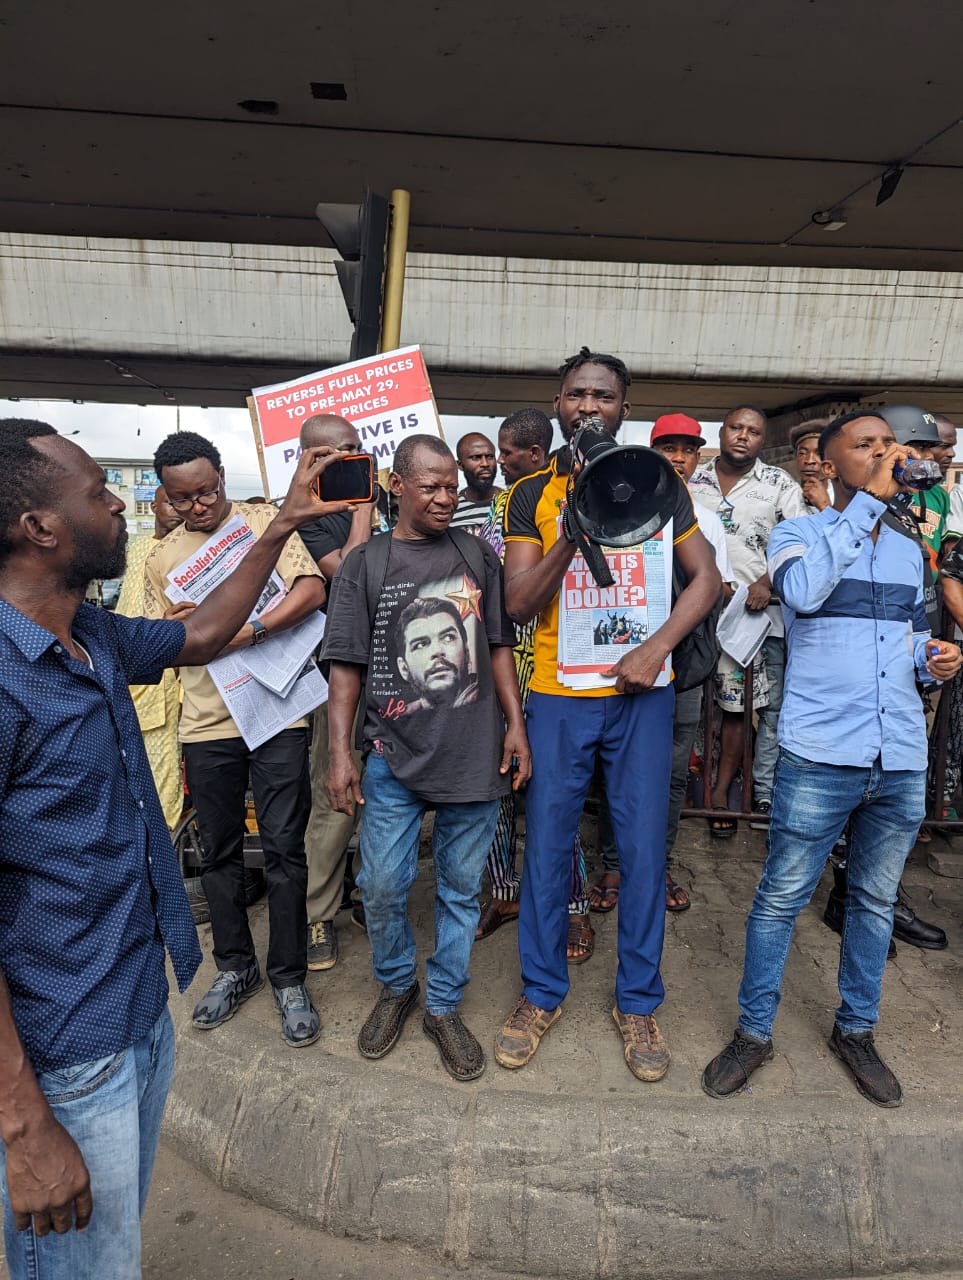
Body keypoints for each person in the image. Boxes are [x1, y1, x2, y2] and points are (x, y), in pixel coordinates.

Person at [0, 418, 347, 1278]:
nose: (122, 505)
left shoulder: (95, 634)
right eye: (97, 493)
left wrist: (279, 523)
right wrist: (23, 1123)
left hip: (139, 1012)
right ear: (39, 528)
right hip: (62, 1055)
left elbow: (202, 635)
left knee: (113, 1256)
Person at [701, 411, 961, 1108]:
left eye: (888, 445)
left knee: (874, 901)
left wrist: (933, 659)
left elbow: (907, 638)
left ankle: (856, 1030)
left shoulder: (906, 550)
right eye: (865, 445)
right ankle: (753, 1033)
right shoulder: (797, 535)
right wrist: (868, 506)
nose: (883, 453)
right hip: (820, 754)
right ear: (827, 459)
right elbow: (806, 593)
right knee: (781, 897)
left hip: (897, 754)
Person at [493, 348, 720, 1083]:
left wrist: (656, 648)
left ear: (624, 408)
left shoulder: (659, 484)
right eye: (576, 395)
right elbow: (517, 603)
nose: (588, 406)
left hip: (640, 696)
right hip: (560, 696)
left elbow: (706, 580)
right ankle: (541, 993)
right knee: (548, 848)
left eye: (603, 396)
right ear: (559, 404)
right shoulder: (531, 492)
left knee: (643, 852)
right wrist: (572, 530)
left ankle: (638, 1001)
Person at [322, 434, 530, 1082]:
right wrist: (339, 753)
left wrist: (515, 726)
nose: (445, 497)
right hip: (392, 755)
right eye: (431, 486)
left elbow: (498, 646)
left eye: (450, 487)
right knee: (381, 886)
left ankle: (441, 1005)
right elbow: (345, 667)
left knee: (461, 890)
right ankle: (396, 984)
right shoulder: (364, 564)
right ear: (397, 486)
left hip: (473, 755)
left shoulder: (476, 555)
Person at [145, 431, 327, 1049]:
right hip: (206, 722)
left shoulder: (263, 524)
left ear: (222, 475)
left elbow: (310, 590)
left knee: (284, 849)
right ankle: (234, 967)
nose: (199, 506)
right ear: (165, 497)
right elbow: (161, 639)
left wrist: (249, 631)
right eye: (183, 498)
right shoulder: (161, 558)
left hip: (277, 711)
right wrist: (179, 629)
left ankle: (289, 978)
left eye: (207, 491)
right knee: (218, 851)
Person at [588, 413, 734, 913]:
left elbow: (715, 588)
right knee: (617, 769)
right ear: (650, 453)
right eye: (668, 447)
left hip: (681, 667)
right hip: (620, 660)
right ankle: (613, 863)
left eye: (688, 449)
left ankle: (658, 864)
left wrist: (667, 637)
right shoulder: (614, 503)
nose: (678, 457)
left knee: (671, 773)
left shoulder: (705, 519)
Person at [474, 408, 592, 957]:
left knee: (551, 792)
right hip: (499, 662)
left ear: (537, 453)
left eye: (507, 451)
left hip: (548, 662)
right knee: (496, 785)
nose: (499, 461)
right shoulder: (504, 504)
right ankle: (504, 892)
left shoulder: (562, 494)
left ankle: (574, 903)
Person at [296, 414, 393, 971]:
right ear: (310, 459)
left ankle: (365, 897)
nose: (353, 458)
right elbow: (351, 575)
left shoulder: (385, 503)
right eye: (337, 451)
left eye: (356, 447)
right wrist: (362, 512)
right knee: (336, 793)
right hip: (342, 673)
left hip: (395, 671)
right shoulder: (306, 517)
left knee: (386, 794)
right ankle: (318, 913)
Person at [690, 405, 806, 829]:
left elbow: (800, 542)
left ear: (762, 439)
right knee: (692, 706)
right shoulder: (693, 480)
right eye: (735, 428)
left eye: (753, 431)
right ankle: (693, 786)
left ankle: (724, 792)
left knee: (738, 707)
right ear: (721, 432)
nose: (743, 436)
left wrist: (766, 581)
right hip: (693, 613)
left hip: (754, 617)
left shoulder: (779, 484)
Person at [115, 485, 184, 831]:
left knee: (165, 771)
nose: (177, 509)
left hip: (167, 673)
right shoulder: (138, 548)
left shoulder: (188, 550)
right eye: (170, 502)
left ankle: (166, 837)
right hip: (128, 668)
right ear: (153, 507)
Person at [449, 432, 501, 532]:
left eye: (490, 457)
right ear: (460, 465)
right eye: (476, 457)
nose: (485, 463)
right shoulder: (450, 508)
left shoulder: (513, 502)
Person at [789, 419, 833, 514]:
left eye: (819, 453)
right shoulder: (786, 496)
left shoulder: (845, 498)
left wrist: (825, 506)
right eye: (802, 453)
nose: (809, 461)